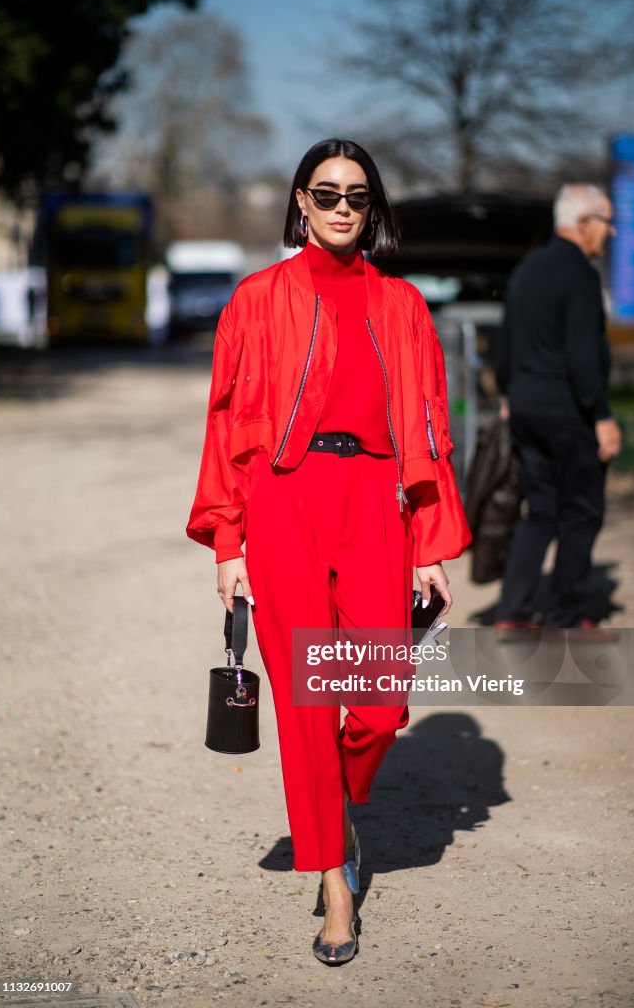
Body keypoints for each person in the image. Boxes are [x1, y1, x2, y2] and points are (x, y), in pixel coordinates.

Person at [186, 139, 470, 965]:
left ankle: (335, 806)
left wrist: (429, 541)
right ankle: (335, 887)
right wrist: (226, 542)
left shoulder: (403, 307)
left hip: (374, 501)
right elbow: (227, 423)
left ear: (371, 208)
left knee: (377, 702)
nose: (343, 206)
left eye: (357, 194)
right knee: (308, 706)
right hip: (284, 502)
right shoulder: (256, 299)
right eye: (326, 192)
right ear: (300, 203)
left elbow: (429, 431)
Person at [494, 184, 622, 638]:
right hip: (569, 410)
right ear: (584, 222)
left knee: (541, 510)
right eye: (607, 223)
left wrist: (510, 394)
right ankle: (568, 615)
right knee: (581, 511)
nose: (610, 234)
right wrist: (602, 415)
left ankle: (512, 610)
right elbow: (583, 355)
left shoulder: (526, 269)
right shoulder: (581, 275)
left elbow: (504, 344)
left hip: (527, 408)